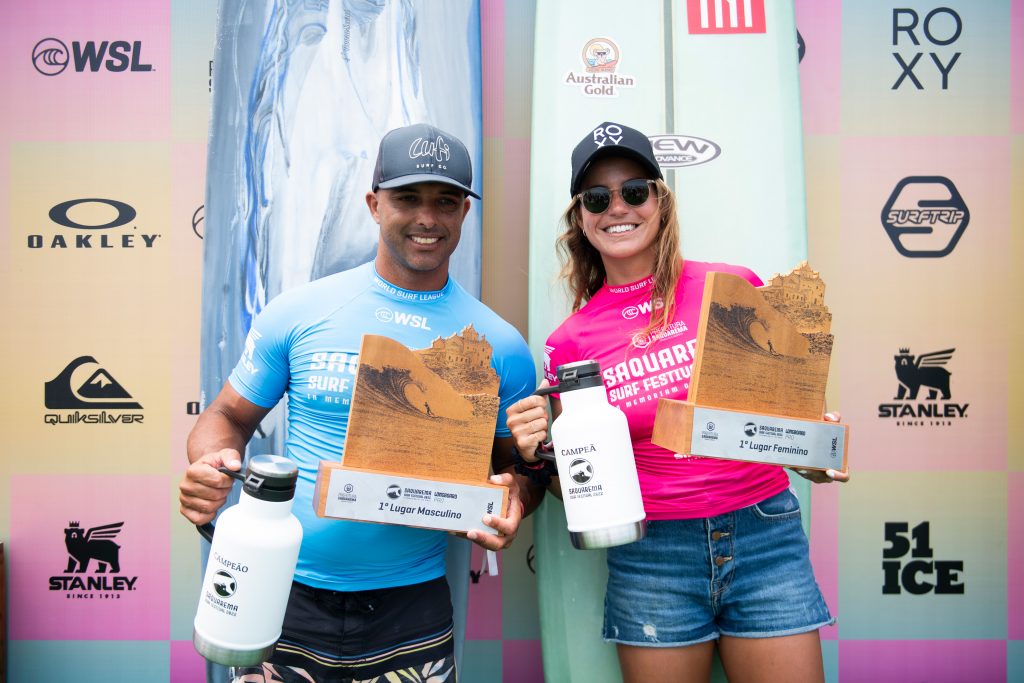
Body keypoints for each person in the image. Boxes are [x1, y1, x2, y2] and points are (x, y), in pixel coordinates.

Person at [179, 123, 543, 683]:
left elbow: (516, 468)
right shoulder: (298, 313)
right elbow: (227, 417)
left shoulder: (501, 345)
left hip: (410, 610)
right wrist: (211, 462)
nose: (427, 218)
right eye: (407, 198)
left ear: (464, 214)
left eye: (445, 202)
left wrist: (516, 495)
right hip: (279, 591)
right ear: (375, 204)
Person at [506, 121, 849, 683]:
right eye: (597, 198)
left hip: (764, 535)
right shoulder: (569, 342)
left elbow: (789, 429)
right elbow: (580, 491)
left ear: (659, 202)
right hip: (653, 555)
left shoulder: (734, 286)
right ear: (581, 218)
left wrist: (813, 448)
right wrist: (544, 450)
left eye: (634, 191)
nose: (618, 207)